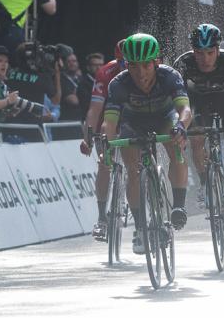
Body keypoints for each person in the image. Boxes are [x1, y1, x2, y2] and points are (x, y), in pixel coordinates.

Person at [102, 33, 190, 254]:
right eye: (133, 66)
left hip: (165, 119)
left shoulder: (170, 76)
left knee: (177, 147)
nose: (140, 73)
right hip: (133, 123)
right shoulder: (118, 84)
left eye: (145, 66)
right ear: (125, 65)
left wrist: (181, 127)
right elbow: (110, 122)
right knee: (134, 170)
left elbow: (185, 110)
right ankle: (140, 228)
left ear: (156, 62)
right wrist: (108, 145)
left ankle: (178, 205)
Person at [172, 24, 224, 247]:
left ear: (218, 50)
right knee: (197, 139)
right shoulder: (183, 63)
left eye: (210, 53)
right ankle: (204, 183)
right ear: (193, 50)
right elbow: (182, 105)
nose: (205, 59)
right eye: (199, 53)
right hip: (198, 105)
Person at [80, 41, 125, 241]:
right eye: (124, 62)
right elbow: (94, 110)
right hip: (109, 116)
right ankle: (101, 218)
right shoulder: (106, 73)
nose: (129, 67)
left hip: (135, 114)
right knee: (104, 163)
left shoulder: (147, 68)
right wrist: (88, 138)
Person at [6, 42, 61, 124]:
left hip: (10, 126)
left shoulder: (8, 73)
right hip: (32, 129)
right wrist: (57, 73)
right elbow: (56, 100)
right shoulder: (43, 77)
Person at [77, 52, 105, 119]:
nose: (99, 68)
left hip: (104, 121)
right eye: (95, 65)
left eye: (101, 65)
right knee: (90, 130)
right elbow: (88, 104)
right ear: (88, 67)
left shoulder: (108, 82)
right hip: (89, 121)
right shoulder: (82, 83)